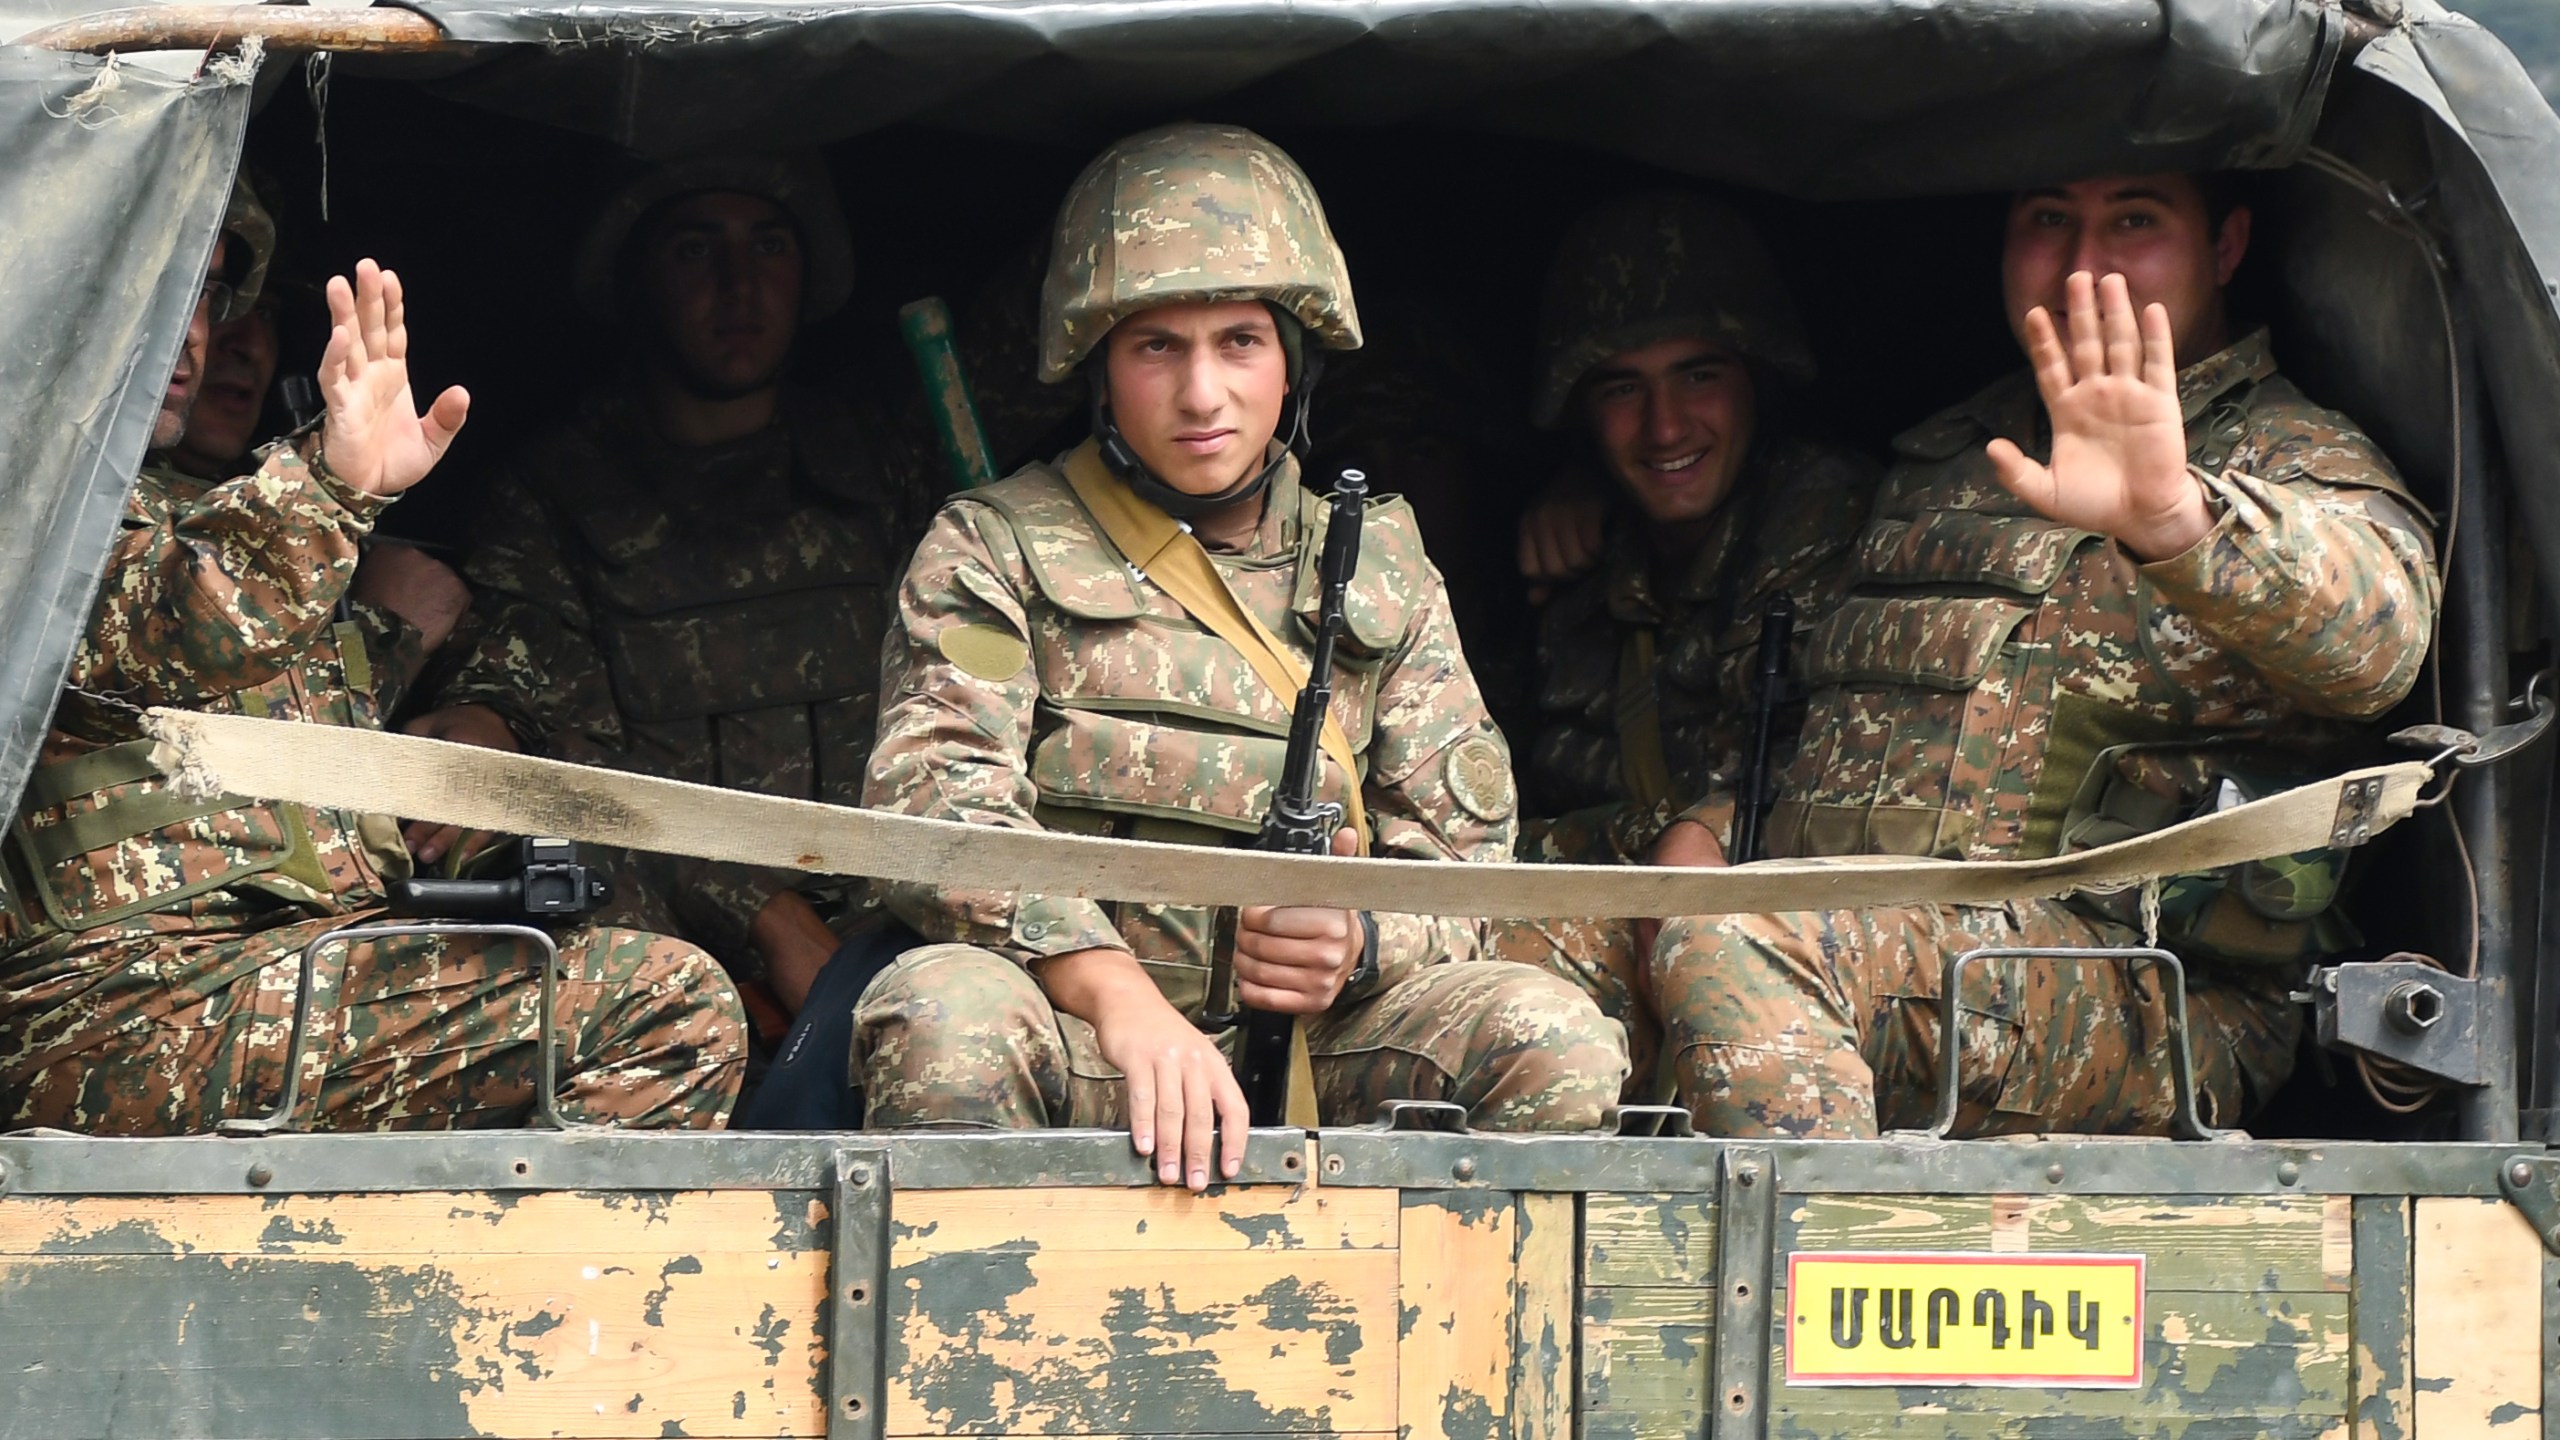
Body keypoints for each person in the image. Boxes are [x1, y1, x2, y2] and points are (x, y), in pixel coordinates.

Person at [856, 122, 1628, 1189]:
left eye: (1240, 341)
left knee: (1549, 1034)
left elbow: (1464, 862)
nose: (1203, 394)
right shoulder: (994, 546)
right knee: (944, 1011)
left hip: (1325, 1046)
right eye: (1156, 346)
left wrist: (1358, 945)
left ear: (1293, 358)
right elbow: (934, 801)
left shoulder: (1379, 564)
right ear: (1099, 369)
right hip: (1079, 1028)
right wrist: (1116, 996)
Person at [1644, 173, 2440, 1138]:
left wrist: (2176, 521)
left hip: (2143, 993)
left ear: (2225, 248)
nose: (2082, 262)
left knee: (1741, 946)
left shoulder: (2290, 451)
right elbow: (1854, 723)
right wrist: (1722, 827)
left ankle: (1806, 1280)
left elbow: (2379, 650)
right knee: (1501, 953)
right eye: (2049, 220)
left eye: (2135, 220)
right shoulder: (1945, 455)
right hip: (1871, 937)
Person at [0, 178, 748, 1134]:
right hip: (119, 1011)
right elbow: (188, 627)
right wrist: (334, 482)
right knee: (666, 1008)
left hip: (261, 979)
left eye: (208, 291)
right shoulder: (36, 501)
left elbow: (501, 653)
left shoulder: (200, 512)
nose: (195, 330)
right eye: (159, 278)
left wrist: (469, 724)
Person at [406, 153, 1073, 1027]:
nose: (739, 285)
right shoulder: (556, 495)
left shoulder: (884, 454)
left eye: (769, 247)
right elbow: (556, 757)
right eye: (694, 251)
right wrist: (761, 917)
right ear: (638, 280)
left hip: (917, 919)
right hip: (681, 962)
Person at [1488, 192, 1881, 1096]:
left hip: (1778, 974)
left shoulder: (1820, 515)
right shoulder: (1583, 557)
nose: (1665, 427)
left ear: (1758, 377)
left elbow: (1810, 775)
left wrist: (1689, 832)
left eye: (1699, 376)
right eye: (1622, 390)